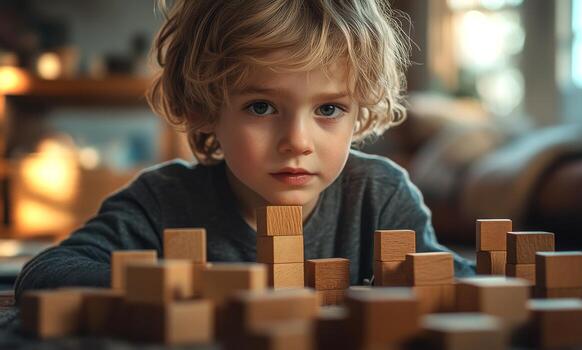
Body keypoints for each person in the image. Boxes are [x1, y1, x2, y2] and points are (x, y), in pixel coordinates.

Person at [14, 0, 474, 300]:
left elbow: (456, 282)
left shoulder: (380, 195)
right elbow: (45, 273)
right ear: (205, 108)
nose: (297, 140)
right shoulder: (164, 201)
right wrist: (181, 287)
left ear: (360, 114)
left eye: (329, 109)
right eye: (261, 106)